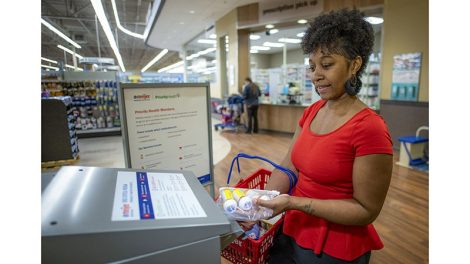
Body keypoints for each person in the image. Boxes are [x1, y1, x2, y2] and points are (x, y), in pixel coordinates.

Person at [253, 9, 393, 264]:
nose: (316, 75)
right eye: (313, 66)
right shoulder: (311, 112)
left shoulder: (370, 128)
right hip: (291, 231)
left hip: (335, 248)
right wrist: (259, 204)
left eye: (326, 65)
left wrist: (296, 202)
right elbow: (288, 165)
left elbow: (365, 210)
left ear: (354, 65)